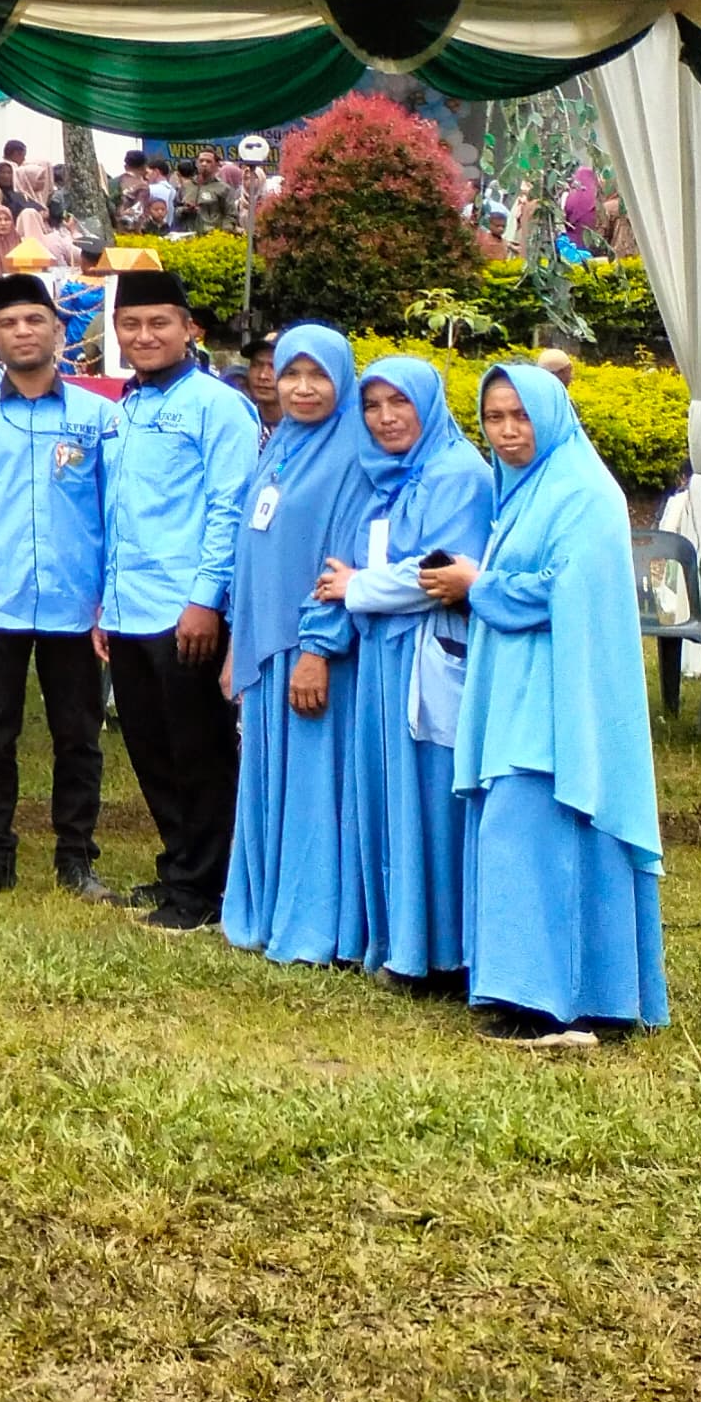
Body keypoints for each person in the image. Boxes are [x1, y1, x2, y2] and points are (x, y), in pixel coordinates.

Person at [433, 364, 667, 1045]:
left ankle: (556, 1001)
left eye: (520, 417)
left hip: (559, 696)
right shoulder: (528, 490)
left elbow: (563, 588)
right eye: (495, 418)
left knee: (539, 829)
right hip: (520, 689)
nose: (507, 433)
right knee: (526, 835)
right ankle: (540, 992)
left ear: (551, 417)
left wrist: (480, 584)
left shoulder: (585, 491)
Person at [0, 270, 118, 893]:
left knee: (78, 738)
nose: (23, 331)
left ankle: (75, 857)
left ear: (59, 332)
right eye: (9, 323)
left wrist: (106, 601)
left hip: (76, 601)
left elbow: (116, 512)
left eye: (35, 320)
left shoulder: (99, 417)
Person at [319, 356, 488, 988]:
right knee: (391, 795)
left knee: (432, 798)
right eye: (372, 405)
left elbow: (439, 574)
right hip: (386, 656)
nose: (386, 418)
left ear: (430, 405)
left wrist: (357, 585)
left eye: (400, 403)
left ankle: (440, 952)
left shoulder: (457, 474)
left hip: (431, 657)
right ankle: (397, 940)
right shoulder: (389, 476)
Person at [102, 267, 257, 933]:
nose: (145, 336)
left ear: (188, 329)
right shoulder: (124, 408)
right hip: (127, 608)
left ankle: (207, 890)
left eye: (159, 323)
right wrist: (101, 609)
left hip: (184, 612)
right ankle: (178, 866)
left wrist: (205, 601)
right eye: (131, 325)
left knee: (200, 753)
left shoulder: (218, 407)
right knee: (149, 747)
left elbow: (229, 509)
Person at [217, 325, 375, 964]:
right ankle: (272, 909)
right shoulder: (281, 444)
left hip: (313, 651)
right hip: (266, 644)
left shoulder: (354, 454)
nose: (303, 389)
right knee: (269, 781)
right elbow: (251, 546)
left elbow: (345, 558)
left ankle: (317, 927)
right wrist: (238, 642)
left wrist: (317, 649)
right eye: (291, 375)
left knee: (313, 789)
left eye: (319, 376)